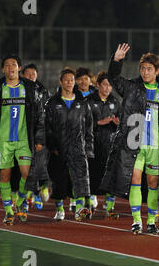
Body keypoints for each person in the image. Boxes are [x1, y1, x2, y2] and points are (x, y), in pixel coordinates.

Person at [99, 44, 159, 235]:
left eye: (149, 69)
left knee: (153, 183)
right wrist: (116, 61)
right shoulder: (131, 87)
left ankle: (151, 221)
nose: (145, 72)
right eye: (142, 68)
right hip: (133, 144)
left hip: (155, 146)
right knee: (134, 180)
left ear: (157, 71)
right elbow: (114, 79)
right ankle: (136, 221)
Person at [0, 54, 45, 225]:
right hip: (3, 141)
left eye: (14, 64)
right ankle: (9, 211)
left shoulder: (29, 89)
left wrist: (39, 138)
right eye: (7, 65)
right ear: (3, 69)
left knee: (26, 173)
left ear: (19, 68)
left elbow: (39, 115)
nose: (11, 67)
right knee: (4, 175)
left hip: (24, 140)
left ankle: (21, 202)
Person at [45, 68, 94, 222]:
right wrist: (52, 147)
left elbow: (89, 128)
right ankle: (59, 209)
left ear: (75, 82)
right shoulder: (52, 103)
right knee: (59, 181)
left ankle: (80, 209)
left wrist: (88, 149)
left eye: (71, 80)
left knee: (80, 179)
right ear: (61, 82)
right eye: (66, 80)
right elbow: (47, 128)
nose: (69, 83)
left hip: (78, 148)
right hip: (59, 150)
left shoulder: (82, 103)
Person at [86, 71, 121, 219]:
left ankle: (110, 204)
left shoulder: (116, 102)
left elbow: (122, 122)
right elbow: (82, 122)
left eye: (110, 85)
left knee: (111, 175)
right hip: (92, 144)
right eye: (105, 84)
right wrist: (99, 123)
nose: (107, 88)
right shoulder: (88, 101)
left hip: (110, 144)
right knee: (92, 174)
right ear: (98, 85)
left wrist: (118, 124)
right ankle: (90, 201)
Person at [21, 63, 51, 209]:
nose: (32, 76)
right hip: (22, 134)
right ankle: (28, 196)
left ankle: (39, 189)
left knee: (40, 164)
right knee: (25, 168)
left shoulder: (43, 92)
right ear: (22, 75)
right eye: (28, 73)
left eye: (34, 73)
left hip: (41, 133)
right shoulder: (18, 91)